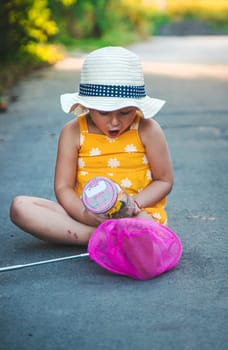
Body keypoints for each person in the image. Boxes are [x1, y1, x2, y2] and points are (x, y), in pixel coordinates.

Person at [10, 46, 173, 245]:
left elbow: (164, 180)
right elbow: (63, 187)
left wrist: (132, 205)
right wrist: (85, 215)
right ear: (87, 105)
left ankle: (120, 235)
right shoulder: (73, 132)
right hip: (85, 215)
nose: (114, 122)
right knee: (21, 207)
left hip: (134, 214)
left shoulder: (147, 129)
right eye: (103, 112)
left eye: (125, 112)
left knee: (145, 226)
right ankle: (99, 237)